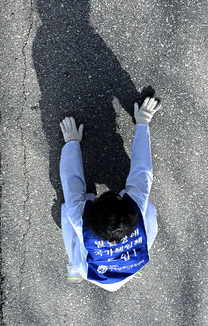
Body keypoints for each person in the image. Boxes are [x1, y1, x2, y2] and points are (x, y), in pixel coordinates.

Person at [59, 96, 161, 291]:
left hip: (95, 272)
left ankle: (76, 269)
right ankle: (125, 268)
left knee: (67, 213)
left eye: (99, 198)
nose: (104, 192)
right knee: (148, 207)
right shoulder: (136, 208)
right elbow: (142, 170)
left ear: (89, 216)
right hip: (129, 269)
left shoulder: (79, 219)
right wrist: (143, 122)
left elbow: (71, 179)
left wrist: (71, 142)